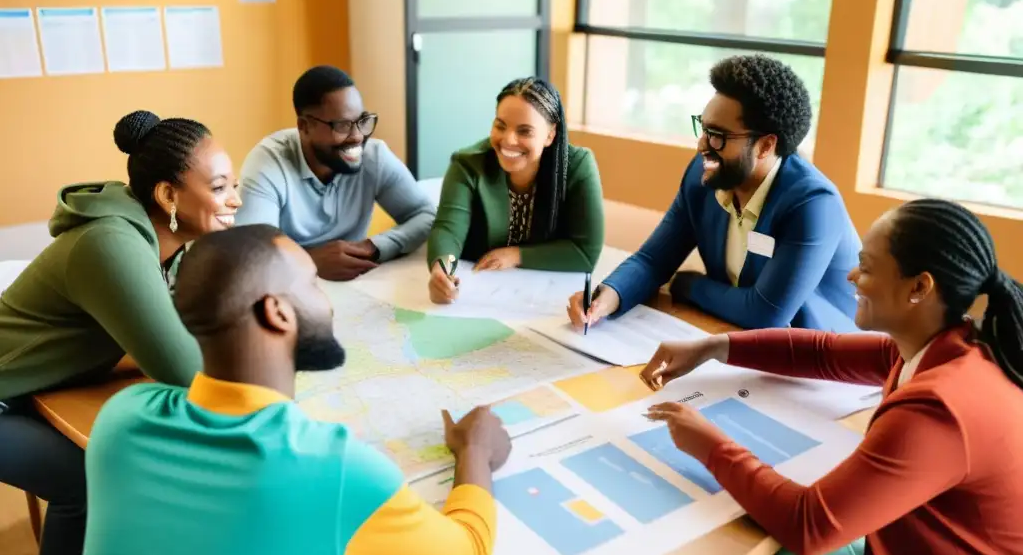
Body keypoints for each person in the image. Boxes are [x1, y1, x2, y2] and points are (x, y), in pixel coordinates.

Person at [75, 224, 511, 555]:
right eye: (313, 284)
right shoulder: (336, 471)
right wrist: (474, 451)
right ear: (277, 313)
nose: (325, 299)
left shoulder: (120, 418)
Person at [639, 199, 1023, 555]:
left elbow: (810, 524)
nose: (850, 279)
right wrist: (714, 347)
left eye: (866, 267)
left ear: (919, 288)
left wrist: (708, 443)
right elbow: (822, 352)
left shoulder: (940, 407)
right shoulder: (942, 345)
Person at [0, 110, 239, 555]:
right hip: (7, 397)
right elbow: (186, 367)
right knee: (89, 480)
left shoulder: (172, 245)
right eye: (220, 188)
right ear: (168, 196)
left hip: (40, 387)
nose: (235, 200)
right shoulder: (110, 243)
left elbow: (207, 320)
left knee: (124, 457)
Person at [567, 54, 859, 333]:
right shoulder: (704, 174)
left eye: (717, 136)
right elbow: (653, 260)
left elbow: (765, 313)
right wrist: (608, 296)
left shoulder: (813, 205)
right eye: (703, 128)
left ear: (766, 146)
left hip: (821, 362)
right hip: (734, 335)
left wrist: (688, 284)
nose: (701, 145)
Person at [236, 66, 436, 282]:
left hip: (357, 285)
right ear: (304, 126)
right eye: (342, 126)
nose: (358, 137)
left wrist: (373, 247)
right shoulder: (267, 164)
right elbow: (252, 254)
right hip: (289, 287)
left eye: (362, 121)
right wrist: (310, 261)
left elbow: (426, 215)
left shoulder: (374, 156)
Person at [427, 77, 604, 305]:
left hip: (545, 299)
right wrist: (441, 268)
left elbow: (584, 252)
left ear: (550, 135)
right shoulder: (467, 164)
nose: (508, 140)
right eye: (500, 125)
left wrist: (517, 255)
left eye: (525, 131)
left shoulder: (578, 166)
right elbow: (449, 230)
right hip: (481, 291)